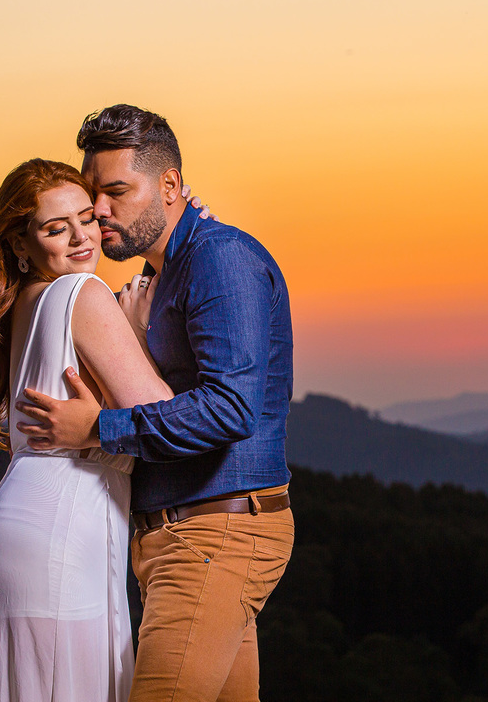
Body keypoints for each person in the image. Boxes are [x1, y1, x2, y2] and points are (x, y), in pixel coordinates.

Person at [16, 105, 295, 702]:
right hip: (176, 537)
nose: (99, 212)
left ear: (170, 186)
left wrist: (99, 428)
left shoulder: (219, 258)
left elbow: (231, 409)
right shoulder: (160, 276)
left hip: (214, 533)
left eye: (117, 192)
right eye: (94, 194)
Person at [0, 158, 172, 702]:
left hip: (13, 534)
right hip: (58, 542)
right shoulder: (83, 293)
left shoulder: (27, 302)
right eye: (56, 228)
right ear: (20, 245)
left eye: (87, 218)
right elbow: (164, 418)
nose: (81, 238)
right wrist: (137, 326)